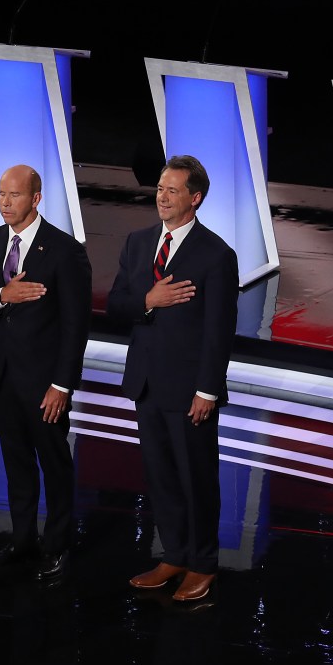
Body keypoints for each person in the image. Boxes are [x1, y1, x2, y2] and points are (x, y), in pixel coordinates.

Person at [108, 155, 237, 603]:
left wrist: (207, 389)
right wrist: (150, 298)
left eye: (172, 190)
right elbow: (116, 306)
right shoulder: (138, 242)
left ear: (195, 198)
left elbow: (219, 330)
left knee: (195, 479)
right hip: (146, 383)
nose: (161, 197)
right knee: (161, 477)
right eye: (160, 188)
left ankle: (203, 563)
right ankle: (174, 554)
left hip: (189, 391)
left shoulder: (217, 254)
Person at [0, 165, 91, 580]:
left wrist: (62, 385)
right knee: (15, 461)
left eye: (14, 195)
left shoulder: (64, 250)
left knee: (54, 464)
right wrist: (3, 294)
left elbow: (75, 325)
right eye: (0, 194)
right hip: (1, 375)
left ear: (35, 199)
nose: (4, 202)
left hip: (44, 383)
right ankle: (22, 539)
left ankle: (56, 545)